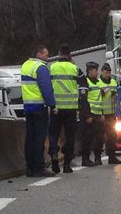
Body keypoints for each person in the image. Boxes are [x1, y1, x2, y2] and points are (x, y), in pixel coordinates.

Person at [21, 44, 56, 177]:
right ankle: (39, 167)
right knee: (39, 139)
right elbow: (46, 89)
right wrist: (52, 105)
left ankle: (30, 167)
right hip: (39, 107)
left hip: (28, 107)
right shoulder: (41, 67)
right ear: (39, 54)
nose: (48, 58)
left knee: (29, 137)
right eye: (46, 55)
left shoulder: (25, 65)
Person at [48, 45, 79, 173]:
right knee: (70, 136)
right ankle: (67, 165)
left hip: (57, 108)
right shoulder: (74, 68)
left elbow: (49, 86)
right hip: (71, 108)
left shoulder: (52, 67)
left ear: (59, 53)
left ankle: (54, 157)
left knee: (53, 134)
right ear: (69, 54)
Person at [79, 61, 101, 167]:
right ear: (91, 71)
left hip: (96, 114)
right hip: (88, 115)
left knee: (94, 137)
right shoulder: (85, 82)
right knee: (86, 138)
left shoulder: (97, 82)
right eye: (96, 71)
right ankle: (85, 159)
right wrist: (87, 115)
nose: (97, 73)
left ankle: (93, 158)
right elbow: (83, 100)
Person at [98, 63, 121, 164]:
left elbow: (117, 95)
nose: (108, 74)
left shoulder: (113, 82)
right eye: (106, 72)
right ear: (102, 72)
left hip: (111, 113)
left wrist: (115, 95)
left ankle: (112, 157)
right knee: (100, 136)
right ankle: (97, 158)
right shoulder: (98, 82)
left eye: (109, 73)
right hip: (101, 114)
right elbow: (96, 97)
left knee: (113, 135)